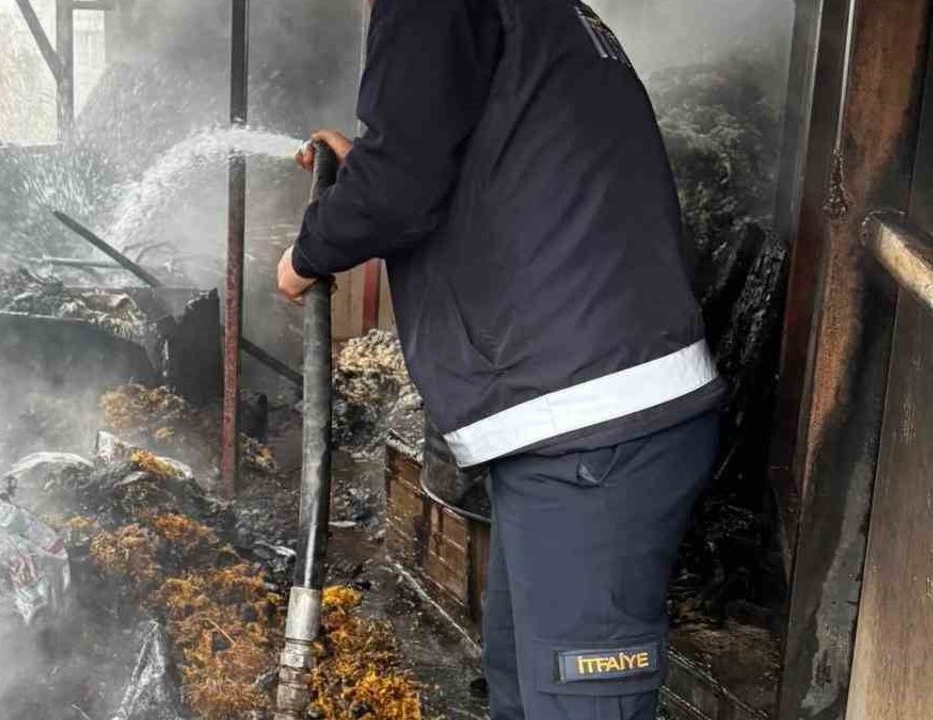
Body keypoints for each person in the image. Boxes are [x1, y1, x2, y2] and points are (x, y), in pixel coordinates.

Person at [276, 1, 724, 719]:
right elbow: (458, 165)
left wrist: (305, 256)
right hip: (582, 415)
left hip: (590, 421)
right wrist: (366, 170)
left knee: (570, 701)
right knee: (522, 681)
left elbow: (401, 191)